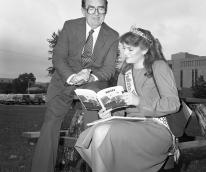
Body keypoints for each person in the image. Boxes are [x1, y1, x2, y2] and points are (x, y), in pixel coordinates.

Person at [75, 26, 190, 172]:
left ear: (145, 50)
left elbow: (173, 104)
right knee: (95, 132)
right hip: (129, 124)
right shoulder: (125, 73)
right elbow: (121, 109)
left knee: (101, 134)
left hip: (157, 126)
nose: (124, 53)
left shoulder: (159, 67)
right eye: (123, 48)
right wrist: (110, 114)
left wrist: (138, 101)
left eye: (130, 49)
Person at [31, 0, 119, 172]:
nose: (96, 13)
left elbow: (109, 69)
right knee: (51, 122)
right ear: (83, 10)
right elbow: (59, 58)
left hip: (93, 82)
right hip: (65, 78)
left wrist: (89, 76)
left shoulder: (113, 35)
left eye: (100, 9)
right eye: (91, 9)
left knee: (93, 122)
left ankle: (92, 166)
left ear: (106, 10)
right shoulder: (70, 26)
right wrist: (72, 77)